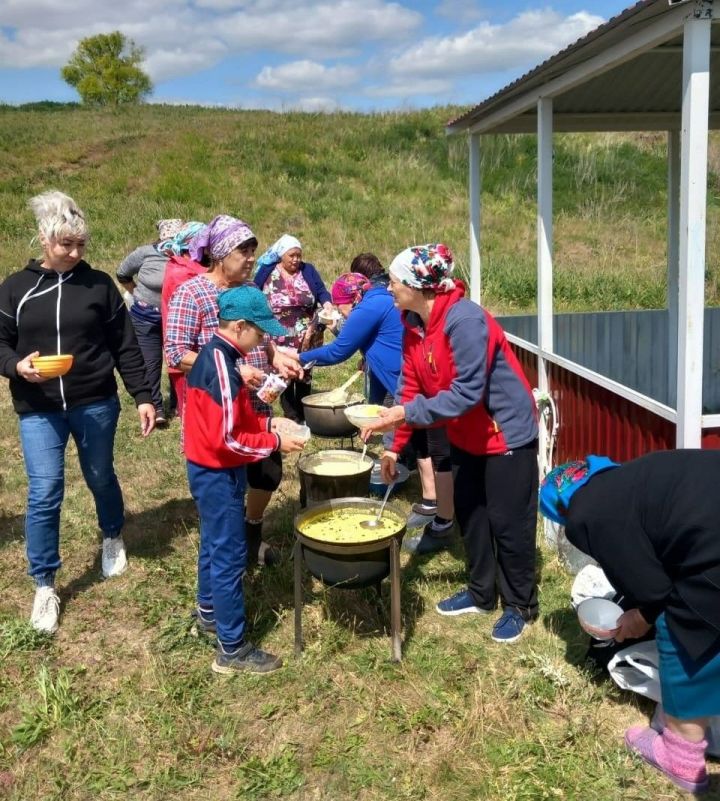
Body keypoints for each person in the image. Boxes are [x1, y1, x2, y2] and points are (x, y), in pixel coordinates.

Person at [362, 243, 539, 643]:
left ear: (418, 285)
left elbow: (467, 393)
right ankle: (481, 593)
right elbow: (409, 389)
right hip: (463, 434)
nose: (388, 288)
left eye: (393, 280)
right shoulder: (412, 323)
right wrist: (393, 446)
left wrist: (404, 415)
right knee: (472, 517)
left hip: (504, 432)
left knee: (509, 523)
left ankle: (520, 605)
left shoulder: (465, 321)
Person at [0, 190, 155, 634]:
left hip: (94, 402)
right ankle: (44, 583)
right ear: (43, 240)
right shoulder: (15, 288)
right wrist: (16, 366)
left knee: (101, 475)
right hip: (38, 407)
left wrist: (143, 395)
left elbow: (125, 346)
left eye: (80, 244)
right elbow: (0, 344)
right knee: (45, 491)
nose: (73, 252)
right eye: (65, 244)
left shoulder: (100, 285)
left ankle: (112, 534)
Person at [539, 450, 720, 795]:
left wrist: (641, 617)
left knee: (686, 628)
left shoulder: (584, 515)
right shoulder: (632, 478)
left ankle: (681, 757)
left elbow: (654, 592)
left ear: (560, 510)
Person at [164, 215, 301, 567]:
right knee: (227, 480)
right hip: (218, 407)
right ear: (221, 254)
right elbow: (177, 353)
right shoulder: (191, 293)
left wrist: (277, 356)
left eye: (254, 250)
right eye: (244, 250)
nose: (252, 258)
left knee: (266, 473)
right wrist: (233, 369)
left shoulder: (251, 290)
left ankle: (252, 531)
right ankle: (227, 551)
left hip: (258, 402)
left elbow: (263, 337)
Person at [184, 285, 306, 674]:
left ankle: (208, 613)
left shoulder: (224, 356)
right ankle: (232, 648)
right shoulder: (221, 366)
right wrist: (275, 442)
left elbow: (235, 420)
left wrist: (269, 420)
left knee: (215, 542)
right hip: (217, 471)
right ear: (239, 326)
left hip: (212, 467)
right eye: (260, 331)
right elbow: (227, 438)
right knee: (230, 555)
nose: (264, 339)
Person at [254, 234, 333, 422]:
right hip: (279, 332)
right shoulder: (267, 271)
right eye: (292, 255)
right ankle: (291, 413)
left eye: (299, 255)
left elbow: (321, 290)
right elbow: (254, 291)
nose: (296, 259)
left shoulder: (308, 270)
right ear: (282, 255)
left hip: (307, 332)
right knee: (285, 371)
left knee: (305, 371)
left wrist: (327, 303)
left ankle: (304, 410)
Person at [116, 218, 185, 425]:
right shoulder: (145, 253)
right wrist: (136, 293)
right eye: (169, 241)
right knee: (151, 362)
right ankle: (156, 407)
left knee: (178, 360)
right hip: (145, 318)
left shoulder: (186, 257)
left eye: (177, 241)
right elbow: (122, 273)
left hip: (175, 319)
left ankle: (179, 404)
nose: (172, 246)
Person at [158, 220, 207, 420]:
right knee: (196, 415)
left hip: (202, 352)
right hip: (189, 354)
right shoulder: (181, 273)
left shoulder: (188, 267)